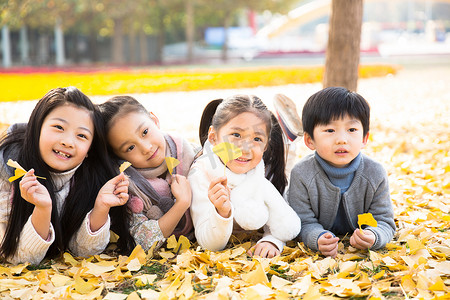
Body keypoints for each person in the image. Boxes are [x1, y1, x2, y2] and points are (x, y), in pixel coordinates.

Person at [0, 87, 134, 265]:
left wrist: (101, 207)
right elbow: (18, 258)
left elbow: (83, 251)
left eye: (81, 135)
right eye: (58, 127)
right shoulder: (9, 173)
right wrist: (42, 210)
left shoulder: (89, 178)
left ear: (89, 149)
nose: (68, 142)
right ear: (37, 127)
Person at [287, 87, 396, 258]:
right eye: (330, 130)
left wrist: (374, 235)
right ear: (310, 140)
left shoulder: (375, 173)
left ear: (364, 138)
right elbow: (302, 221)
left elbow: (385, 221)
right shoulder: (302, 174)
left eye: (351, 130)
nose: (341, 139)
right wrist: (317, 237)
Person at [189, 95, 301, 258]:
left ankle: (289, 140)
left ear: (265, 146)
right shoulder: (202, 174)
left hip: (267, 162)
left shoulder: (259, 169)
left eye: (257, 138)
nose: (245, 149)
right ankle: (288, 139)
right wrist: (222, 213)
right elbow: (209, 243)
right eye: (236, 135)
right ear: (213, 137)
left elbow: (281, 215)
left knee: (285, 175)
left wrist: (272, 240)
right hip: (212, 162)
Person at [99, 96, 196, 251]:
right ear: (118, 157)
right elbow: (141, 242)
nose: (145, 148)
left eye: (145, 132)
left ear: (154, 120)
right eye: (130, 148)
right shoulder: (128, 186)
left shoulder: (186, 151)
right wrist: (181, 204)